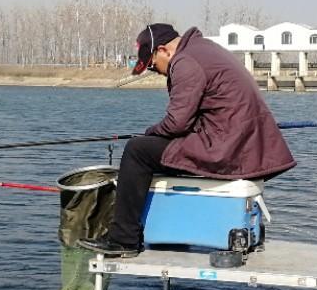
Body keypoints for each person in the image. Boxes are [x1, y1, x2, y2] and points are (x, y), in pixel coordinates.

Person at [78, 23, 297, 257]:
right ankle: (165, 226)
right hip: (241, 147)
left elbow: (177, 123)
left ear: (163, 50)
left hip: (226, 150)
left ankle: (123, 239)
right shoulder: (203, 49)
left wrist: (149, 132)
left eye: (152, 65)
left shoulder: (185, 62)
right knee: (153, 149)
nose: (158, 71)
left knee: (137, 151)